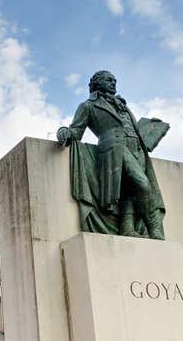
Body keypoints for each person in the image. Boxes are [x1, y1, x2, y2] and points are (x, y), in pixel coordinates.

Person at [57, 70, 165, 239]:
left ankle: (127, 227)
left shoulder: (123, 105)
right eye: (108, 80)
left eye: (114, 80)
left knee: (129, 190)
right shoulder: (88, 105)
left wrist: (151, 128)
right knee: (143, 184)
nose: (113, 83)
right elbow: (76, 130)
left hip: (137, 147)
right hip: (114, 148)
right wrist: (64, 132)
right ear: (97, 82)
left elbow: (131, 128)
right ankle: (154, 228)